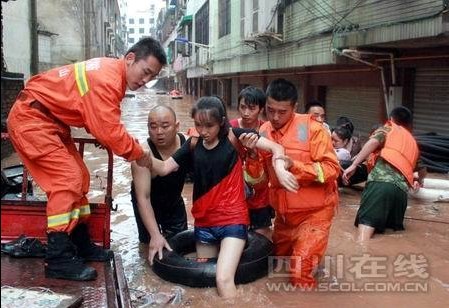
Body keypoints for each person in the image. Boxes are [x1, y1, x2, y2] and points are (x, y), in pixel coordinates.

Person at [6, 37, 167, 281]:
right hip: (32, 120)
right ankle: (58, 257)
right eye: (145, 72)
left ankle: (80, 242)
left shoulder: (111, 74)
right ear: (130, 58)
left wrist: (107, 135)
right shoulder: (107, 80)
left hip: (50, 121)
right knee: (67, 179)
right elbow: (111, 132)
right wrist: (140, 154)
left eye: (151, 77)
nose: (145, 81)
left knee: (80, 177)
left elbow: (93, 116)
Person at [150, 96, 297, 298]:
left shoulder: (235, 137)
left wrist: (280, 168)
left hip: (232, 220)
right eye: (198, 125)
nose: (203, 131)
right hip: (204, 223)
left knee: (223, 279)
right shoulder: (193, 144)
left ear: (221, 121)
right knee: (206, 280)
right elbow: (165, 167)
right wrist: (140, 156)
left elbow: (276, 148)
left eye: (209, 125)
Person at [241, 78, 340, 289]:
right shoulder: (263, 132)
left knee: (299, 273)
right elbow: (258, 182)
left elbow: (332, 170)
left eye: (282, 111)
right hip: (284, 218)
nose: (275, 117)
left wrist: (293, 165)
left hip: (315, 215)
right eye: (270, 110)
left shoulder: (314, 130)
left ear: (294, 107)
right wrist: (251, 155)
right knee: (273, 263)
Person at [342, 106, 426, 241]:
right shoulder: (413, 144)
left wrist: (353, 164)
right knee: (390, 238)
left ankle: (361, 259)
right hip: (401, 195)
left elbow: (373, 141)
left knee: (363, 238)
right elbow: (422, 170)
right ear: (410, 124)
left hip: (380, 186)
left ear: (391, 119)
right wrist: (419, 181)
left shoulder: (388, 128)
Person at [130, 105, 188, 263]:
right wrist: (155, 235)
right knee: (148, 246)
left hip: (174, 200)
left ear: (177, 126)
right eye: (153, 127)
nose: (159, 132)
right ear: (148, 129)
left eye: (165, 126)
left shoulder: (187, 144)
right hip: (147, 202)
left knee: (181, 244)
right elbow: (143, 198)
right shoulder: (142, 155)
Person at [229, 86, 274, 240]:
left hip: (259, 191)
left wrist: (253, 153)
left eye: (252, 108)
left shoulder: (266, 130)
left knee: (262, 234)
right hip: (233, 189)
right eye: (242, 107)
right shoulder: (230, 127)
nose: (246, 112)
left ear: (261, 109)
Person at [331, 117, 367, 186]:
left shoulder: (352, 145)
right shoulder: (332, 136)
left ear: (345, 141)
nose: (333, 142)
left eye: (336, 141)